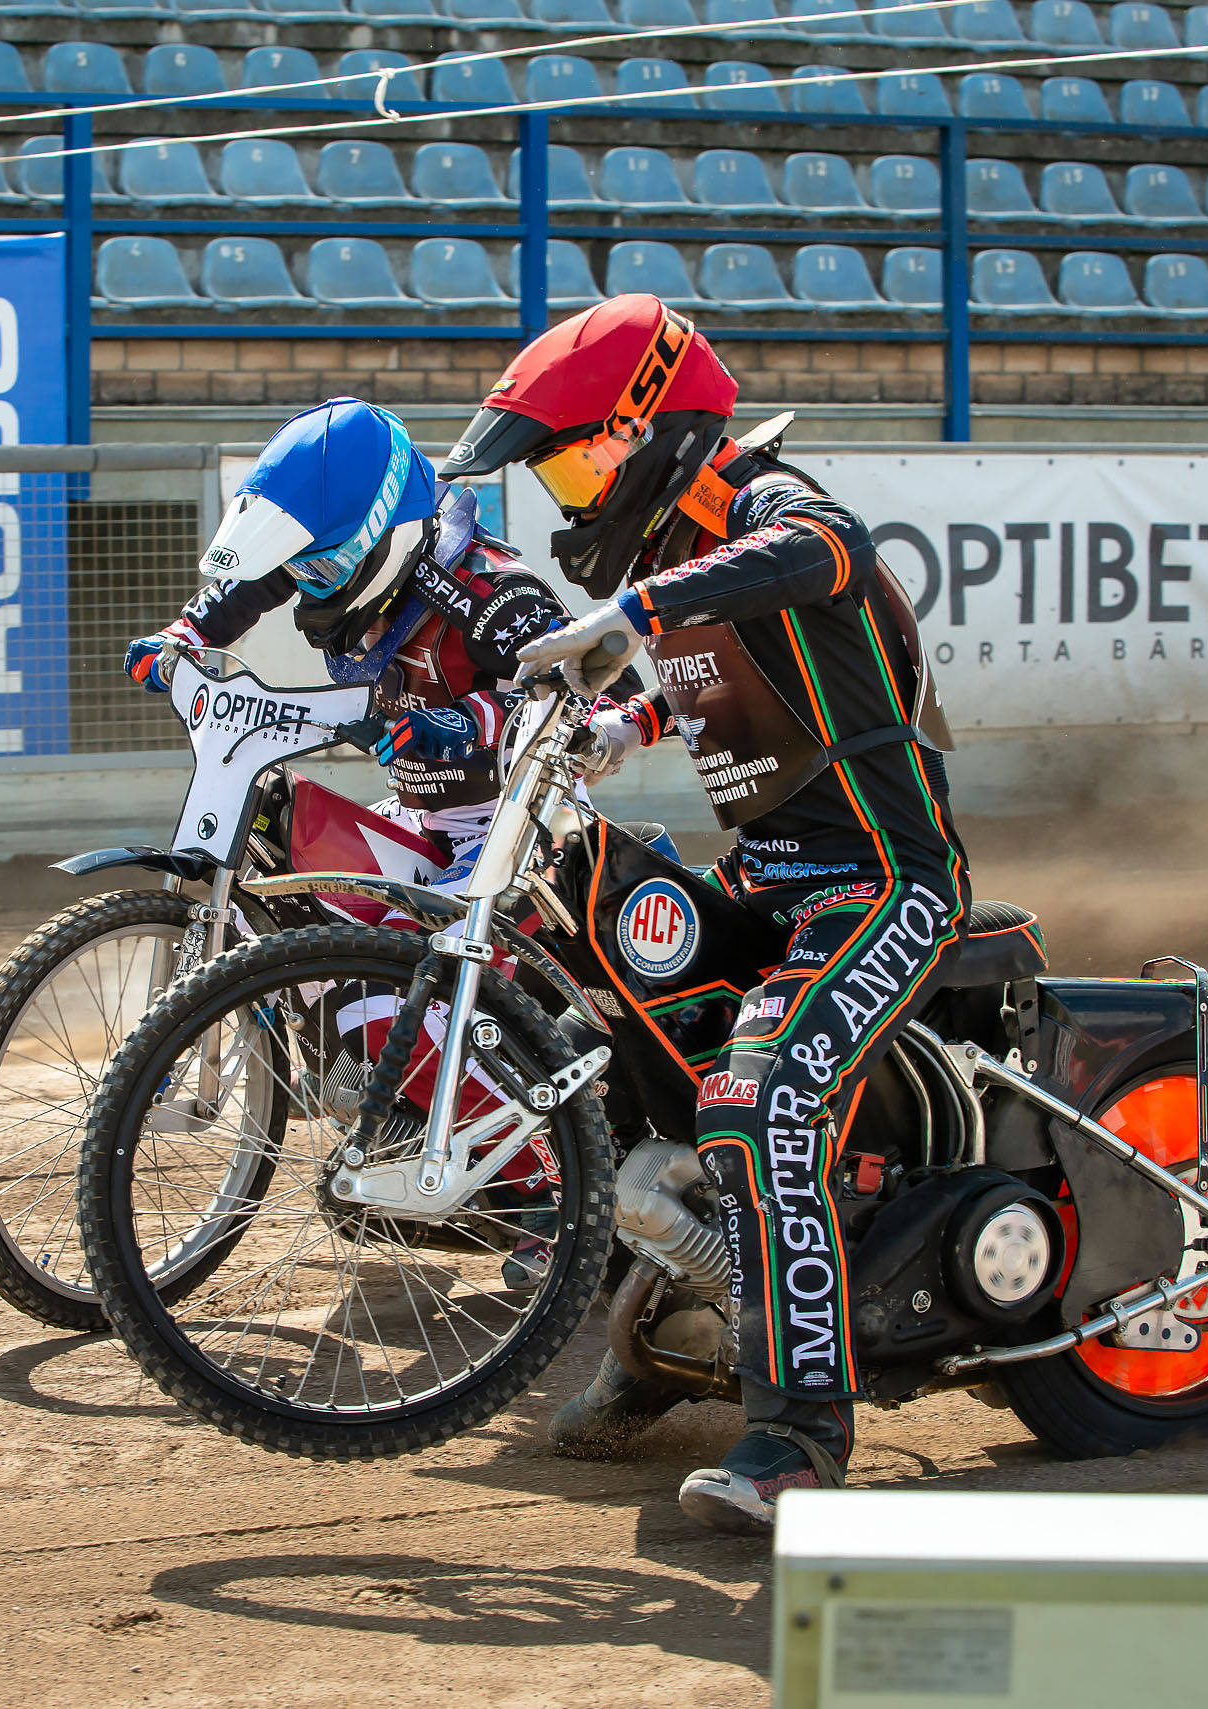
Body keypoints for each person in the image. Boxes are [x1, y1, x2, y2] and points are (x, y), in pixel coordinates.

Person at [439, 295, 971, 1536]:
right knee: (614, 1028)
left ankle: (801, 1434)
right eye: (553, 474)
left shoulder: (766, 504)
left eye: (575, 462)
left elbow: (828, 548)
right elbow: (715, 684)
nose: (569, 495)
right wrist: (620, 725)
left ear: (648, 426)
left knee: (756, 1096)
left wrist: (629, 616)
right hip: (766, 882)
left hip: (882, 881)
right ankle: (669, 1335)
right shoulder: (677, 559)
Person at [123, 398, 580, 895]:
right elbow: (257, 579)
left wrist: (467, 719)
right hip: (419, 814)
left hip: (520, 822)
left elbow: (594, 694)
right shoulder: (337, 548)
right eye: (301, 568)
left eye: (319, 570)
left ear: (387, 535)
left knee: (422, 938)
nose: (309, 584)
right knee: (294, 884)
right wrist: (181, 636)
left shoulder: (491, 594)